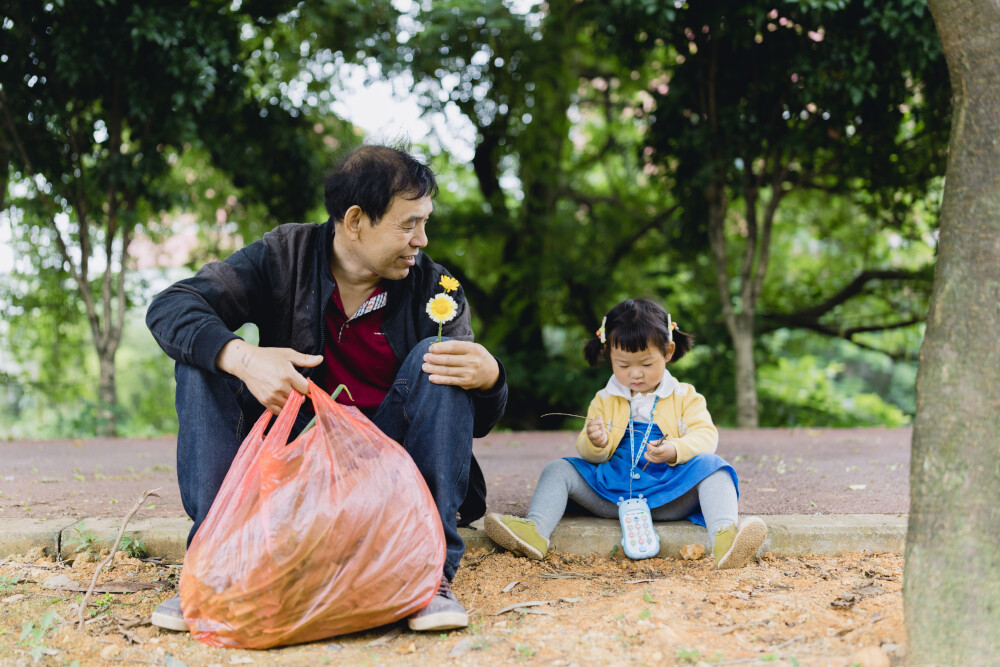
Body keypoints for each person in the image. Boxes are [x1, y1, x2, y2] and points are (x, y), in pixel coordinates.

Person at [145, 143, 508, 633]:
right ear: (355, 220)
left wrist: (490, 379)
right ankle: (217, 564)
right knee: (204, 359)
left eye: (425, 222)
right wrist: (246, 358)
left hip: (389, 480)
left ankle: (427, 575)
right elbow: (171, 306)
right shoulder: (283, 255)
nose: (422, 239)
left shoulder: (436, 290)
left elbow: (472, 423)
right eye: (408, 224)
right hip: (290, 465)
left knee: (436, 361)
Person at [484, 298, 765, 568]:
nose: (635, 374)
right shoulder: (605, 399)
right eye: (623, 365)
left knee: (715, 467)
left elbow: (706, 435)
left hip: (670, 492)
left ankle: (725, 537)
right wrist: (597, 443)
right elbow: (586, 448)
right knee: (558, 469)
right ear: (609, 356)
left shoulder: (683, 395)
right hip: (610, 494)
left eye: (646, 364)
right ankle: (535, 531)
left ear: (667, 352)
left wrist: (675, 450)